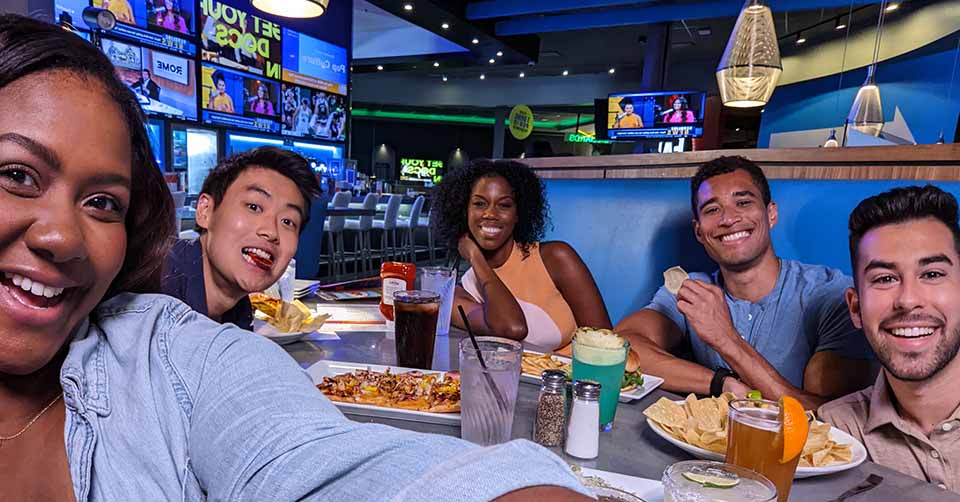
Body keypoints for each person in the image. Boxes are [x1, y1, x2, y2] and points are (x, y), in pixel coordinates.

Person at [0, 15, 591, 502]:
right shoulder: (168, 291)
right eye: (17, 176)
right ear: (201, 212)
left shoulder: (182, 345)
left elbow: (310, 456)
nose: (62, 237)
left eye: (102, 201)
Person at [615, 156, 875, 409]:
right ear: (699, 232)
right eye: (712, 209)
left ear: (771, 214)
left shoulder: (829, 295)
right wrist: (720, 383)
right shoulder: (692, 289)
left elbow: (829, 419)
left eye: (743, 203)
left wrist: (726, 340)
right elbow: (621, 346)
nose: (728, 219)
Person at [819, 186, 960, 492]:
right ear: (856, 308)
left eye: (932, 274)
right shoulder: (834, 435)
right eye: (885, 279)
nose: (908, 300)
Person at [433, 160, 626, 364]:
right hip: (517, 383)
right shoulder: (466, 289)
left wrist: (475, 259)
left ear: (518, 214)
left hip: (577, 382)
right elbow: (511, 328)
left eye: (504, 205)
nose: (490, 214)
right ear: (464, 212)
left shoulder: (556, 258)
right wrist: (477, 260)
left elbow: (607, 344)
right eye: (479, 204)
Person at [161, 147, 319, 331]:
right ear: (206, 211)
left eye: (288, 221)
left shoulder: (238, 311)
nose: (271, 232)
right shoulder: (156, 293)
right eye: (254, 207)